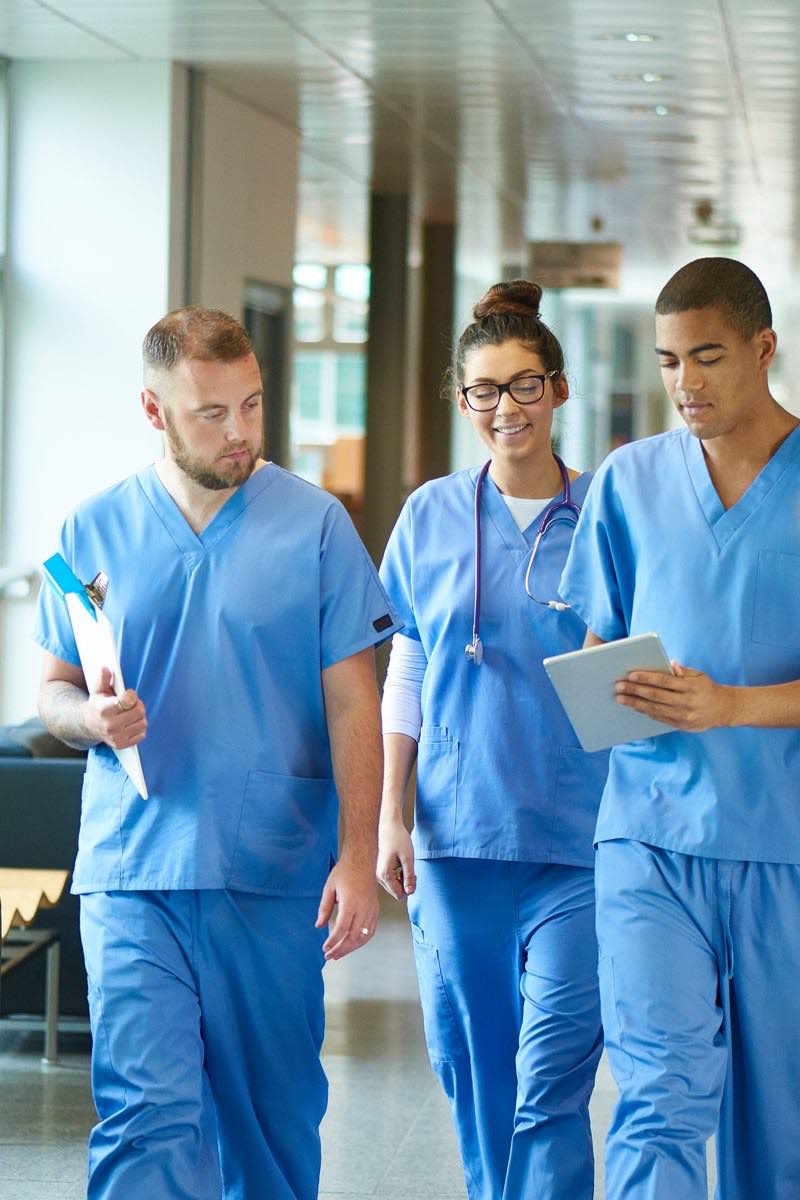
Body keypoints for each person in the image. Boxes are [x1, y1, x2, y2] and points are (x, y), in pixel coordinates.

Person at [35, 306, 400, 1200]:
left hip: (270, 867)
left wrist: (357, 857)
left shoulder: (315, 525)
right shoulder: (93, 529)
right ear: (155, 413)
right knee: (143, 1113)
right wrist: (91, 723)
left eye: (253, 406)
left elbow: (355, 699)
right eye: (212, 413)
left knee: (267, 1127)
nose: (239, 432)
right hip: (133, 864)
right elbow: (52, 694)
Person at [559, 257, 800, 1199]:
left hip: (782, 846)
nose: (684, 385)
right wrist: (604, 691)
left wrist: (731, 705)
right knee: (657, 1095)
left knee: (776, 1131)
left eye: (706, 357)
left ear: (763, 348)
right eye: (668, 362)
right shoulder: (630, 481)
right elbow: (597, 642)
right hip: (649, 838)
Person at [377, 280, 608, 1200]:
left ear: (558, 390)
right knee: (474, 1069)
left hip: (579, 842)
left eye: (524, 386)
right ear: (461, 397)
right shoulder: (429, 515)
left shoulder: (606, 514)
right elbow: (409, 667)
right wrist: (392, 813)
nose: (505, 408)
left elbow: (630, 669)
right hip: (457, 838)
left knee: (554, 1073)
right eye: (485, 389)